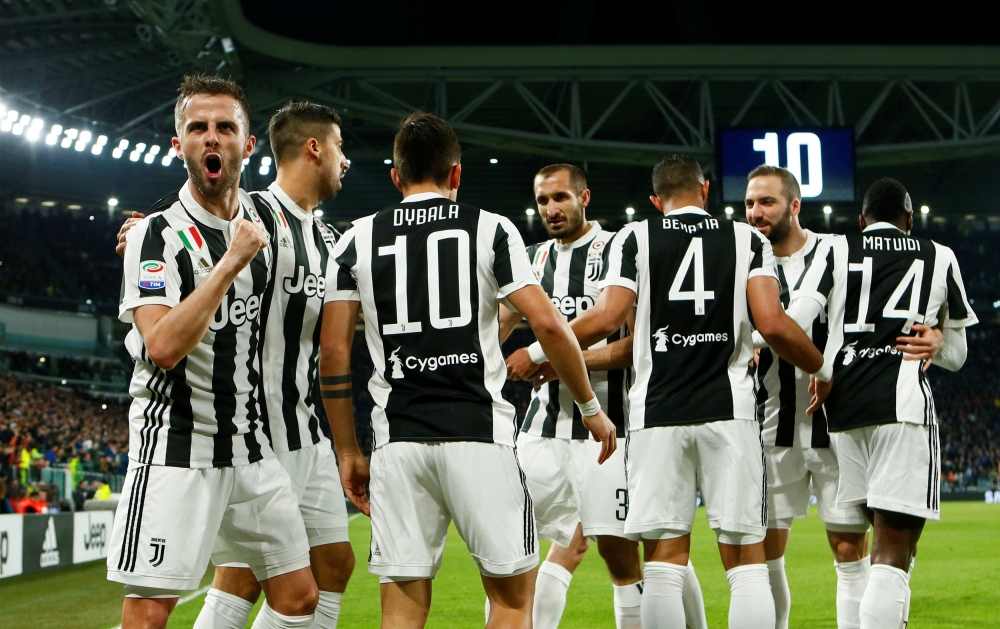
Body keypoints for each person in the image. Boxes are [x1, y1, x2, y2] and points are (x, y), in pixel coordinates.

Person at [320, 111, 617, 629]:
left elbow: (333, 354)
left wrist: (348, 451)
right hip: (480, 435)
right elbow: (550, 326)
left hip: (398, 441)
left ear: (395, 176)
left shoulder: (354, 240)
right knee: (510, 601)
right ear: (456, 173)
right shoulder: (490, 229)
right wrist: (590, 407)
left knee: (403, 607)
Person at [116, 101, 356, 628]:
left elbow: (337, 337)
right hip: (215, 433)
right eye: (340, 146)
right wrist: (144, 234)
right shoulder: (253, 219)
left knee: (325, 572)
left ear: (246, 145)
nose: (346, 160)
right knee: (229, 582)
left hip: (279, 434)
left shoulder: (326, 240)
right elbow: (191, 220)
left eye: (224, 128)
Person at [567, 154, 830, 629]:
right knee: (746, 563)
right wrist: (823, 367)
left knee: (663, 563)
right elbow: (772, 325)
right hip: (730, 413)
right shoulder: (747, 239)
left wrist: (544, 348)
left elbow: (606, 319)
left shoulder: (635, 237)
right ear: (705, 189)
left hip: (656, 416)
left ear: (656, 200)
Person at [503, 163, 707, 629]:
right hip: (540, 432)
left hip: (612, 431)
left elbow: (640, 344)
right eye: (542, 200)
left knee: (626, 554)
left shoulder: (621, 249)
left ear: (584, 197)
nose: (551, 209)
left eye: (560, 197)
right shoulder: (532, 261)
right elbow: (494, 326)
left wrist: (560, 360)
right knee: (515, 553)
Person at [796, 178, 977, 629]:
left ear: (861, 220)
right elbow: (957, 357)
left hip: (843, 411)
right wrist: (937, 340)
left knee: (883, 551)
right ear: (910, 219)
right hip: (902, 408)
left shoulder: (835, 248)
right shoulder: (939, 255)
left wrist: (807, 362)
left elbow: (796, 319)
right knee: (893, 551)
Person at [743, 165, 872, 629]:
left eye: (767, 202)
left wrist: (936, 333)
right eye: (750, 203)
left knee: (849, 549)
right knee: (765, 553)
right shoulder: (742, 261)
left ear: (794, 206)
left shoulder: (836, 250)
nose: (756, 212)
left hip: (837, 428)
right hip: (770, 428)